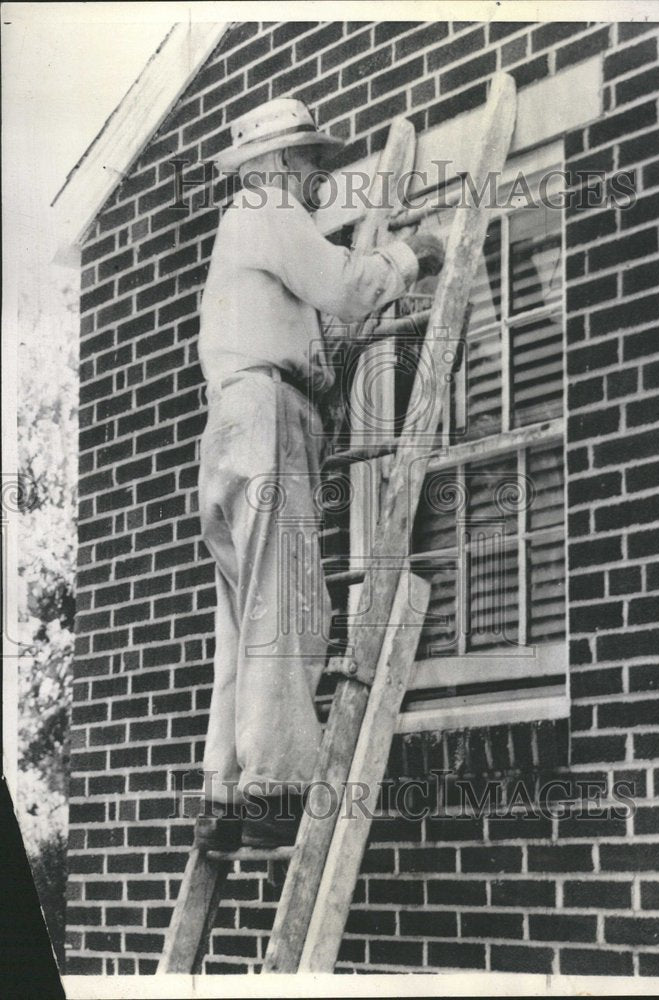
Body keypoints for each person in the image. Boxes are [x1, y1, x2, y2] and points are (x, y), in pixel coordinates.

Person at [194, 98, 444, 849]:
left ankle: (226, 796)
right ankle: (275, 793)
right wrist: (411, 255)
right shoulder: (264, 206)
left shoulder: (253, 228)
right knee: (288, 602)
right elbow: (346, 287)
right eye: (309, 167)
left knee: (244, 621)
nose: (318, 187)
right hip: (265, 416)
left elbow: (320, 322)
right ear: (272, 165)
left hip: (245, 421)